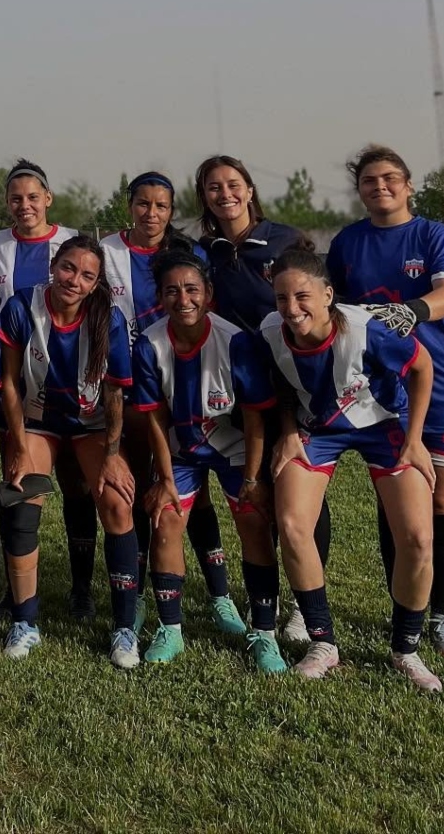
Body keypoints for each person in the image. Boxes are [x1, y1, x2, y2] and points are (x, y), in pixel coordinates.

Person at [254, 249, 443, 691]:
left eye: (303, 296)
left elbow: (422, 366)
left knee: (417, 537)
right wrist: (287, 430)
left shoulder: (365, 329)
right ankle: (323, 643)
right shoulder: (271, 331)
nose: (292, 307)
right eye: (282, 298)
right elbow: (280, 379)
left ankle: (405, 649)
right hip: (319, 430)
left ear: (327, 295)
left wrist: (415, 440)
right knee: (293, 524)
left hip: (384, 426)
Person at [328, 144, 444, 659]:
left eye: (390, 178)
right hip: (386, 394)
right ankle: (404, 617)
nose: (380, 186)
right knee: (399, 511)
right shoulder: (347, 243)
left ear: (408, 184)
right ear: (361, 190)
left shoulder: (433, 235)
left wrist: (409, 311)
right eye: (369, 181)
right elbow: (333, 311)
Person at [195, 154, 332, 642]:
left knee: (299, 489)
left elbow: (319, 302)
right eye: (213, 187)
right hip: (234, 390)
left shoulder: (284, 239)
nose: (224, 193)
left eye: (233, 184)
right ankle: (271, 594)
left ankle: (303, 601)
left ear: (250, 189)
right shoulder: (203, 249)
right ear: (204, 197)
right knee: (257, 493)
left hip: (292, 383)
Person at [132, 249, 285, 671]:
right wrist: (164, 478)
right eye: (172, 291)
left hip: (235, 450)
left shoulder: (236, 340)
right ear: (161, 298)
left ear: (209, 294)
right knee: (165, 520)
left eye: (192, 289)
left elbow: (255, 420)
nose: (183, 299)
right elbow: (157, 420)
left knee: (253, 523)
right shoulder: (149, 343)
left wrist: (253, 480)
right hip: (181, 453)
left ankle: (264, 633)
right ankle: (172, 629)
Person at [101, 173, 238, 638]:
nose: (151, 213)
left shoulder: (190, 254)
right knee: (142, 492)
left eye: (161, 205)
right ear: (130, 206)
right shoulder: (106, 252)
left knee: (188, 494)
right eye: (143, 204)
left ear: (171, 209)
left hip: (181, 385)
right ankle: (138, 595)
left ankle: (220, 595)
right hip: (126, 385)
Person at [0, 236, 136, 662]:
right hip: (38, 424)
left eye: (87, 275)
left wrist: (112, 454)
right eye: (69, 268)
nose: (75, 279)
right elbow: (9, 383)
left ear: (96, 284)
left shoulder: (107, 319)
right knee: (21, 497)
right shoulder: (22, 306)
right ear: (54, 265)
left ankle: (124, 628)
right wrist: (17, 447)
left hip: (90, 426)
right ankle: (25, 621)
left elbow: (114, 394)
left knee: (117, 503)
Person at [0, 160, 99, 620]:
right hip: (20, 382)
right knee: (20, 484)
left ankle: (81, 588)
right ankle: (19, 589)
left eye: (33, 196)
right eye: (15, 198)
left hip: (74, 387)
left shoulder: (71, 244)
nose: (24, 205)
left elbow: (93, 304)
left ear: (47, 199)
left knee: (77, 486)